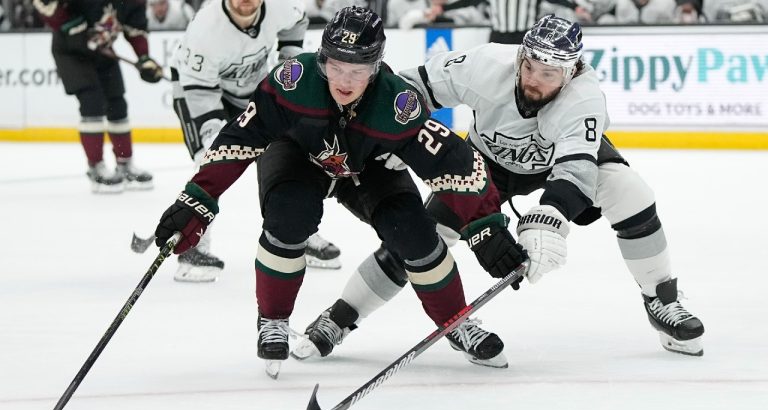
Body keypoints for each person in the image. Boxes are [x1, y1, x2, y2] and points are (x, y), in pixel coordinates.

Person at [298, 14, 705, 362]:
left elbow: (577, 168)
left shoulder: (584, 98)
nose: (532, 80)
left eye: (548, 74)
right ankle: (338, 317)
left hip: (556, 165)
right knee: (420, 238)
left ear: (572, 71)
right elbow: (411, 87)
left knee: (629, 189)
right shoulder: (485, 63)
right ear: (520, 56)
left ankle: (661, 298)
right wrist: (400, 133)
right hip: (484, 163)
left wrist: (550, 218)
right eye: (529, 66)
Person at [153, 6, 527, 378]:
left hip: (368, 168)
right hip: (296, 156)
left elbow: (455, 162)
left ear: (377, 66)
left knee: (414, 232)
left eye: (358, 70)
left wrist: (487, 225)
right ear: (322, 59)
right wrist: (198, 199)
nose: (344, 81)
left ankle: (456, 320)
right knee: (289, 216)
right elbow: (239, 136)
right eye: (335, 67)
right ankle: (273, 320)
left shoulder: (397, 103)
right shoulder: (292, 80)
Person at [169, 0, 341, 282]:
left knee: (285, 153)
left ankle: (295, 232)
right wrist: (218, 139)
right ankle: (193, 247)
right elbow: (200, 94)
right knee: (211, 160)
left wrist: (289, 59)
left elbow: (297, 23)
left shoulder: (279, 7)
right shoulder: (205, 30)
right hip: (199, 92)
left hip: (250, 87)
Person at [34, 0, 164, 193]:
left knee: (117, 104)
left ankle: (125, 163)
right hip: (71, 52)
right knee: (92, 101)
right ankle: (95, 167)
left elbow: (134, 25)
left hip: (102, 49)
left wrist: (143, 57)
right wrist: (70, 23)